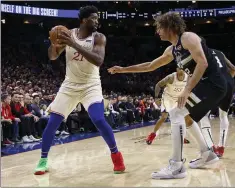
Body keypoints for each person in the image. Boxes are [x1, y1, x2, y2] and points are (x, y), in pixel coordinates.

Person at [108, 12, 225, 179]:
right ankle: (207, 154)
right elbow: (150, 66)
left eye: (159, 28)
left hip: (213, 84)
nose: (158, 32)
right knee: (185, 117)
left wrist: (186, 90)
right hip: (206, 85)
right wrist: (123, 69)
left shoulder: (188, 38)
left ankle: (177, 166)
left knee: (176, 112)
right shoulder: (172, 49)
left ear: (170, 27)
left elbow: (203, 63)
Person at [34, 5, 125, 175]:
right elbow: (53, 57)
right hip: (70, 85)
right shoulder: (68, 34)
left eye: (98, 18)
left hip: (91, 85)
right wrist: (53, 44)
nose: (97, 21)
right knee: (52, 122)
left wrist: (74, 44)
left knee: (98, 119)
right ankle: (43, 160)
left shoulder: (99, 37)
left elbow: (98, 60)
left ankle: (116, 155)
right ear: (84, 20)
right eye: (94, 18)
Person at [199, 49, 235, 158]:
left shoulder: (199, 52)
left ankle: (211, 147)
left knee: (203, 115)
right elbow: (233, 69)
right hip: (229, 82)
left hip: (215, 82)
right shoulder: (220, 52)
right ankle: (221, 147)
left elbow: (202, 68)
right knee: (223, 115)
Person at [146, 69, 190, 145]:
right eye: (179, 68)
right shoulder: (171, 77)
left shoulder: (188, 77)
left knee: (184, 117)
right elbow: (158, 85)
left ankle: (181, 136)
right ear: (177, 69)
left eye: (182, 69)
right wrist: (156, 98)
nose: (181, 70)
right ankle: (152, 134)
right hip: (167, 98)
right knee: (164, 117)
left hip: (178, 99)